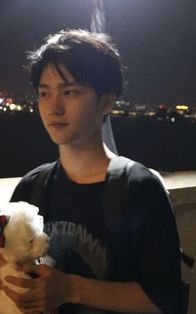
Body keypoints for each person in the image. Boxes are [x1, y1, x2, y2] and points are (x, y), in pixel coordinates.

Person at [0, 29, 182, 314]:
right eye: (44, 93)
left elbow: (166, 300)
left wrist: (71, 288)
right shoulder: (32, 187)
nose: (54, 108)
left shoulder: (138, 188)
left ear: (106, 101)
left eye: (70, 92)